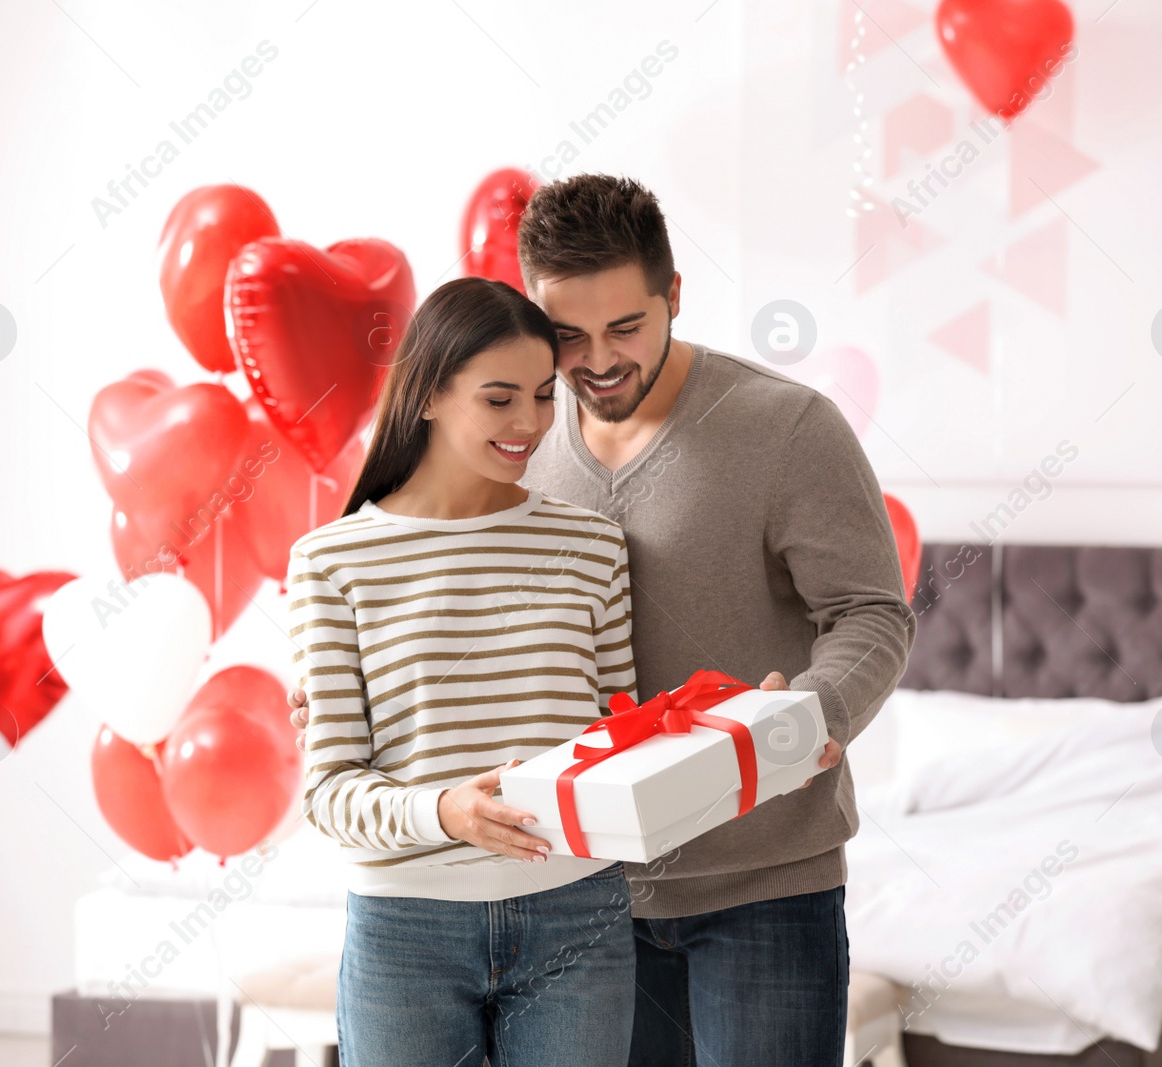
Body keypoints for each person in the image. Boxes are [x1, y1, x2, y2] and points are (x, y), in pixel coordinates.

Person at [291, 174, 917, 1066]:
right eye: (567, 337)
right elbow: (427, 591)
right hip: (586, 900)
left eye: (626, 327)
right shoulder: (515, 436)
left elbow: (870, 613)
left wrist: (814, 712)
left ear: (673, 297)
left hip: (760, 884)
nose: (597, 361)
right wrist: (339, 682)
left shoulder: (786, 428)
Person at [285, 276, 639, 1067]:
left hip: (577, 912)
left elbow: (626, 738)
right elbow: (328, 789)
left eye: (545, 396)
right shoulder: (331, 562)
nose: (531, 425)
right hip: (406, 928)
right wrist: (444, 811)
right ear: (428, 396)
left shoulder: (591, 544)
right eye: (500, 398)